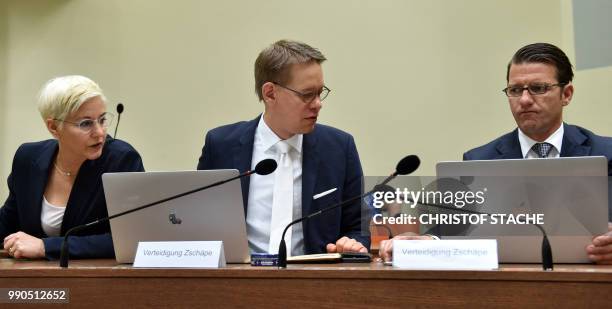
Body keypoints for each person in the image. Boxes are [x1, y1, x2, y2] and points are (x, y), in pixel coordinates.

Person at [197, 40, 369, 256]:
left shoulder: (339, 148)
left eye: (320, 92)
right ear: (270, 93)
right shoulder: (220, 145)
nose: (318, 104)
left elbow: (357, 228)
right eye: (307, 94)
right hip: (239, 280)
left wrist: (351, 244)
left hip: (314, 281)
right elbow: (200, 223)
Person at [463, 42, 612, 264]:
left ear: (567, 94)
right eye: (515, 90)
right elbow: (456, 231)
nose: (524, 100)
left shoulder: (607, 154)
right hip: (510, 286)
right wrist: (424, 239)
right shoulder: (478, 161)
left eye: (538, 88)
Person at [1, 75, 144, 260]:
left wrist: (46, 247)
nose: (99, 132)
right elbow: (7, 223)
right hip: (34, 280)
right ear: (53, 127)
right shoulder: (28, 158)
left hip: (97, 281)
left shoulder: (121, 160)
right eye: (86, 123)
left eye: (102, 119)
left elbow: (130, 239)